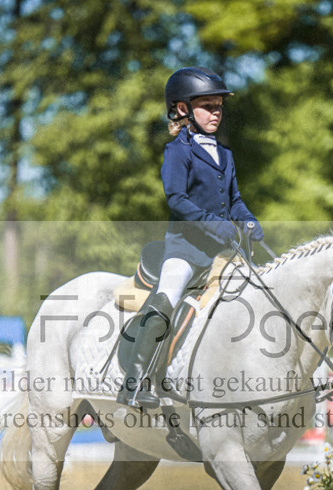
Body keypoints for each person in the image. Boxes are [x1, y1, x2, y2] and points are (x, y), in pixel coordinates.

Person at [117, 67, 263, 409]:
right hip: (185, 249)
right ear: (183, 109)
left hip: (222, 253)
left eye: (219, 107)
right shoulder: (177, 152)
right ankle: (135, 382)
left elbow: (235, 200)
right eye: (208, 106)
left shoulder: (224, 154)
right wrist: (219, 225)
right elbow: (177, 200)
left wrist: (249, 222)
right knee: (166, 298)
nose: (216, 113)